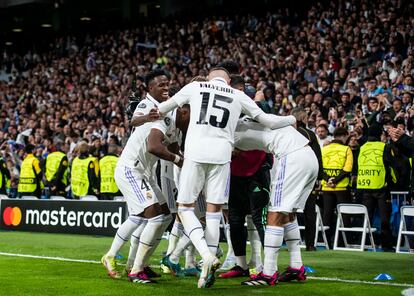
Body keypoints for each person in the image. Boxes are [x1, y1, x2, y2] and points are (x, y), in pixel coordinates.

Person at [156, 67, 296, 288]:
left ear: (210, 77)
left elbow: (162, 108)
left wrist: (141, 115)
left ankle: (204, 255)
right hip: (222, 156)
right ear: (228, 81)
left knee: (185, 208)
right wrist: (291, 118)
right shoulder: (238, 95)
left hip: (195, 152)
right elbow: (268, 120)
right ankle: (205, 271)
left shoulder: (194, 86)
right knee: (213, 213)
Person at [101, 105, 190, 284]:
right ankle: (134, 267)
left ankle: (137, 263)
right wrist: (180, 161)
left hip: (145, 174)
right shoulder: (164, 118)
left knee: (163, 217)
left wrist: (188, 163)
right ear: (183, 111)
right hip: (131, 169)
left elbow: (173, 150)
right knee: (153, 218)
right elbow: (153, 147)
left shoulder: (175, 127)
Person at [230, 119, 318, 286]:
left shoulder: (229, 130)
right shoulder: (256, 119)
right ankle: (296, 266)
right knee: (288, 214)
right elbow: (290, 121)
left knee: (275, 214)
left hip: (291, 157)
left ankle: (269, 273)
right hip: (309, 156)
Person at [220, 74, 270, 277]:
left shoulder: (258, 110)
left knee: (259, 219)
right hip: (234, 174)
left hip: (258, 172)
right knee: (235, 220)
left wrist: (260, 100)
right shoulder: (228, 114)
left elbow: (267, 116)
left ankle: (268, 266)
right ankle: (240, 265)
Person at [356, 124, 394, 251]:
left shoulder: (362, 148)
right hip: (381, 187)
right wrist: (394, 181)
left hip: (366, 186)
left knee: (367, 218)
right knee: (384, 219)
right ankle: (386, 246)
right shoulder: (385, 147)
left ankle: (365, 244)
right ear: (380, 134)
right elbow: (390, 167)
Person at [291, 108, 323, 251]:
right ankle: (310, 244)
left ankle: (290, 242)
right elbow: (318, 157)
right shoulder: (309, 134)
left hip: (291, 176)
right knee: (309, 211)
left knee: (287, 209)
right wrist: (319, 177)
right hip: (308, 177)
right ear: (303, 118)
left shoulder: (287, 133)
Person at [321, 127, 353, 247]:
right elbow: (347, 169)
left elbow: (320, 167)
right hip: (342, 187)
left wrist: (328, 179)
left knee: (327, 214)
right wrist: (336, 180)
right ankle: (343, 243)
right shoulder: (346, 149)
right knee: (344, 215)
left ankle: (326, 242)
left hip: (326, 187)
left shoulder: (325, 149)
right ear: (344, 136)